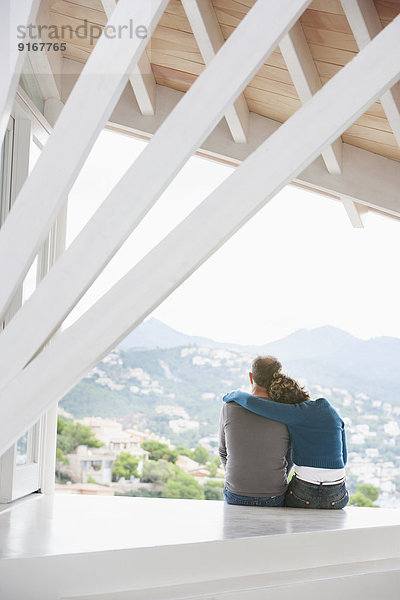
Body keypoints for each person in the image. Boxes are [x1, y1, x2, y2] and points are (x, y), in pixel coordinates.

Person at [223, 356, 349, 510]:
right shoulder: (330, 411)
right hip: (339, 495)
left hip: (298, 494)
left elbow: (253, 403)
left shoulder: (293, 413)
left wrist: (234, 395)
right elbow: (344, 458)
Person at [219, 366, 293, 507]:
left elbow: (223, 451)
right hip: (274, 495)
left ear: (251, 376)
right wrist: (281, 476)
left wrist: (236, 477)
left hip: (236, 493)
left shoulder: (229, 407)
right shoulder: (286, 410)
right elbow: (291, 453)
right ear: (277, 378)